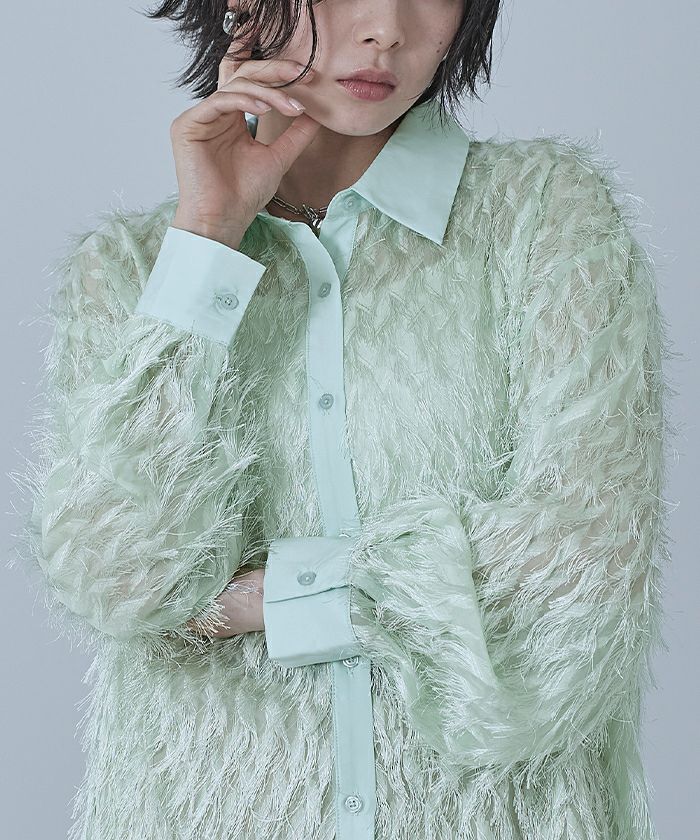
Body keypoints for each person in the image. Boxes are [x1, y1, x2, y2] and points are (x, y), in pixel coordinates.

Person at [9, 1, 674, 838]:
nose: (386, 28)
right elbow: (119, 579)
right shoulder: (133, 268)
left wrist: (258, 603)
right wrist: (207, 245)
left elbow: (581, 580)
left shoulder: (547, 215)